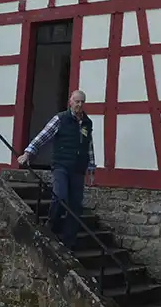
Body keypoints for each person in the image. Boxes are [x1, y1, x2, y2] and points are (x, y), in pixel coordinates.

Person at [17, 89, 96, 248]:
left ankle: (68, 242)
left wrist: (91, 169)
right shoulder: (60, 119)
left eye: (82, 102)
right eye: (77, 101)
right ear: (70, 102)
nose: (79, 104)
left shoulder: (87, 122)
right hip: (61, 165)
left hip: (78, 168)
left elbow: (89, 146)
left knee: (75, 206)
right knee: (59, 196)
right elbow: (43, 136)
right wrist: (27, 153)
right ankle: (51, 227)